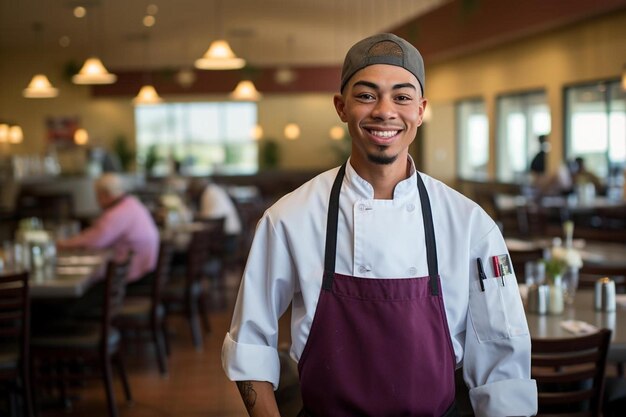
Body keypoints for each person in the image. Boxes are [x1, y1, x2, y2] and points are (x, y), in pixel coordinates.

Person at [222, 33, 537, 417]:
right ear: (341, 107)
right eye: (366, 95)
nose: (384, 111)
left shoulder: (470, 224)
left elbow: (502, 363)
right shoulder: (289, 218)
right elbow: (250, 343)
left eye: (402, 97)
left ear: (420, 110)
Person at [56, 173, 160, 285]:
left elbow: (94, 240)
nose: (96, 200)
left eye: (97, 195)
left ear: (105, 194)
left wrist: (63, 244)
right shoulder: (131, 203)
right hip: (146, 272)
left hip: (135, 279)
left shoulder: (118, 212)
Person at [187, 177, 242, 254]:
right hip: (230, 234)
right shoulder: (214, 189)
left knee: (194, 246)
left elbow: (206, 219)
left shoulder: (207, 193)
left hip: (224, 239)